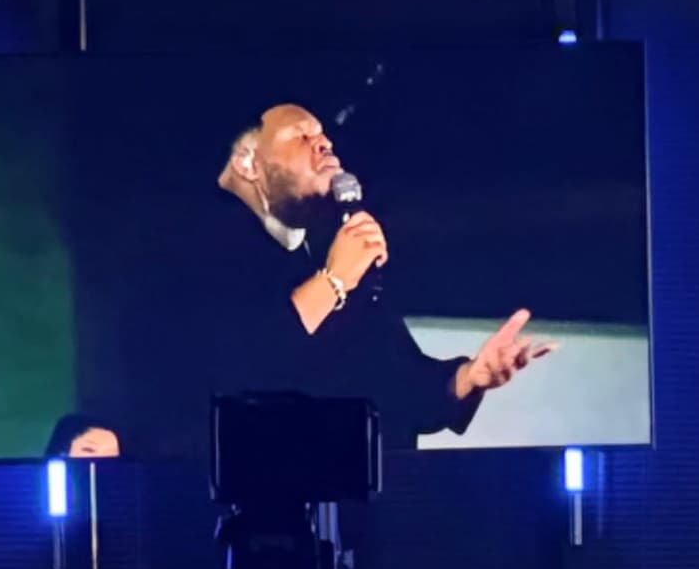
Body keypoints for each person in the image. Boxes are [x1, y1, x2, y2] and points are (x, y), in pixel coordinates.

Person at [54, 103, 550, 462]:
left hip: (353, 522)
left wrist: (472, 376)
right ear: (248, 163)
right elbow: (240, 372)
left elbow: (395, 386)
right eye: (301, 137)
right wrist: (334, 279)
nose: (325, 144)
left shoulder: (321, 255)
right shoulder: (182, 249)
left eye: (324, 137)